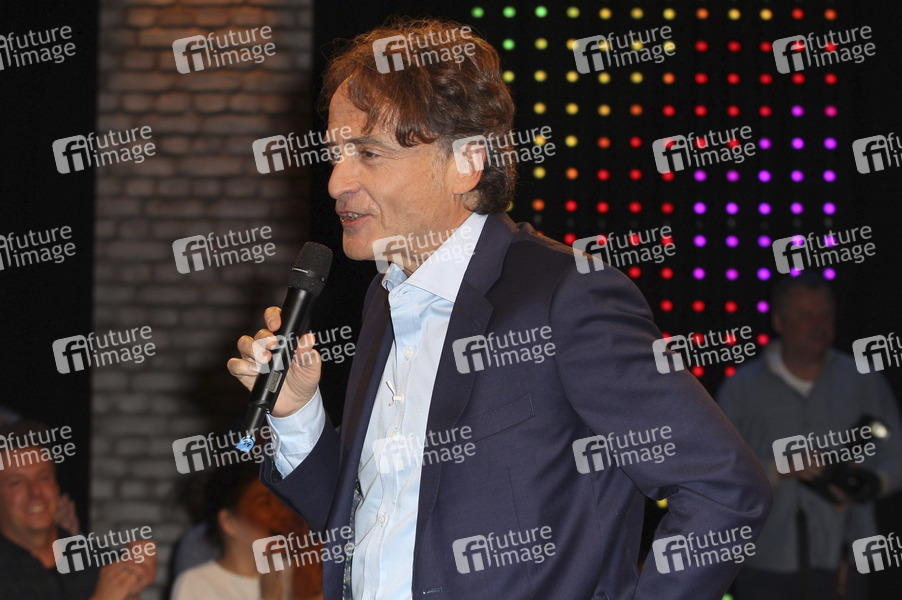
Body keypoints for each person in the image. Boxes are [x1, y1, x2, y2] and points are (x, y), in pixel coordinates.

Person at [228, 16, 772, 600]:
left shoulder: (566, 295)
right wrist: (296, 414)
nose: (337, 181)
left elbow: (724, 490)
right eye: (336, 154)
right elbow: (375, 527)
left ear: (466, 162)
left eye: (369, 152)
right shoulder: (384, 301)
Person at [717, 273, 902, 599]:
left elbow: (897, 455)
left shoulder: (864, 380)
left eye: (826, 315)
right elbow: (719, 470)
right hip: (766, 562)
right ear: (779, 321)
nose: (819, 325)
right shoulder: (741, 389)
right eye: (806, 315)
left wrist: (870, 483)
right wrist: (778, 469)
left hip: (846, 561)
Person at [0, 420, 156, 600]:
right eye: (16, 483)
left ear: (56, 487)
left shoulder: (99, 563)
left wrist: (132, 591)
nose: (35, 492)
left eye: (43, 478)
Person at [171, 461, 322, 600]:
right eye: (265, 503)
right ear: (229, 522)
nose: (282, 514)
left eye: (283, 502)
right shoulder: (197, 584)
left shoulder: (300, 575)